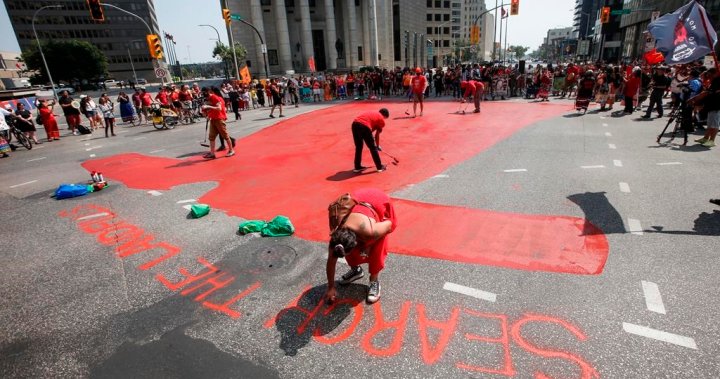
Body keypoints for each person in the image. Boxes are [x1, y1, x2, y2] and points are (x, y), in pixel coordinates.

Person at [324, 188, 397, 304]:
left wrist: (367, 246)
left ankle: (374, 281)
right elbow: (330, 262)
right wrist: (330, 287)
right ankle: (356, 270)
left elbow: (390, 225)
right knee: (353, 252)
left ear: (356, 242)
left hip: (377, 201)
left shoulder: (370, 231)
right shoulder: (336, 235)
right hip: (357, 203)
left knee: (376, 252)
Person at [201, 86, 235, 159]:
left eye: (204, 92)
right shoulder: (207, 99)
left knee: (225, 135)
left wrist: (208, 107)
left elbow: (219, 108)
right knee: (211, 137)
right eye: (202, 93)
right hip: (213, 119)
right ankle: (212, 153)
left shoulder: (214, 97)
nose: (203, 94)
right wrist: (205, 112)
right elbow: (208, 109)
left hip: (219, 119)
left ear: (208, 91)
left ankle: (231, 150)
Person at [351, 108, 388, 173]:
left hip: (355, 124)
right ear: (384, 115)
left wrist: (369, 137)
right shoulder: (381, 119)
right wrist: (377, 145)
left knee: (359, 147)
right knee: (373, 148)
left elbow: (370, 129)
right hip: (364, 126)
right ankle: (379, 167)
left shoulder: (373, 113)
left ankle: (357, 167)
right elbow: (377, 135)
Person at [693, 68, 720, 147]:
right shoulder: (714, 81)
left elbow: (712, 92)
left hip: (716, 105)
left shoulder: (718, 81)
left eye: (709, 74)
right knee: (709, 123)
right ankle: (705, 138)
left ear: (714, 73)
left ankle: (712, 141)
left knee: (714, 124)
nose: (708, 75)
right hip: (711, 105)